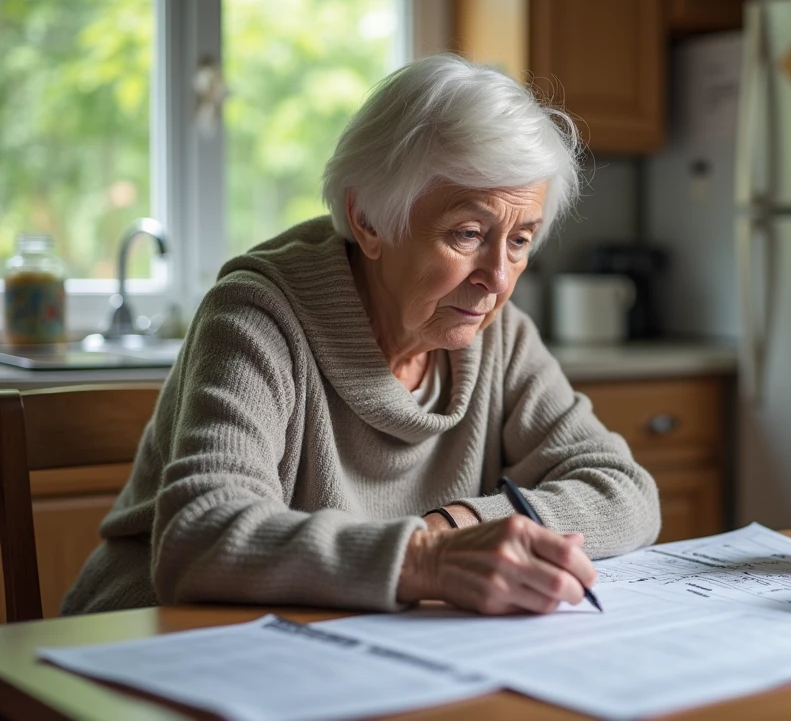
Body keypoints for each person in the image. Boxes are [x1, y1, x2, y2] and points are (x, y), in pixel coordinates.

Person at [63, 54, 661, 616]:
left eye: (521, 239)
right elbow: (203, 536)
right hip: (155, 641)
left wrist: (451, 526)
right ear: (368, 220)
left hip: (338, 639)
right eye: (468, 233)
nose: (497, 279)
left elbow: (626, 491)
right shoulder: (256, 317)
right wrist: (426, 560)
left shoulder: (499, 336)